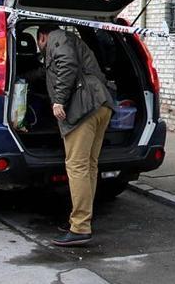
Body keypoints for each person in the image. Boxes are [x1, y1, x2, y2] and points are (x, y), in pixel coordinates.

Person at [37, 24, 113, 246]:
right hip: (101, 105)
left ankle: (80, 227)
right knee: (89, 165)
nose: (41, 47)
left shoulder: (57, 39)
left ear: (43, 36)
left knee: (77, 166)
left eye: (39, 43)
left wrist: (58, 99)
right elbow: (51, 69)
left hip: (83, 109)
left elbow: (67, 64)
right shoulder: (69, 39)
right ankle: (81, 220)